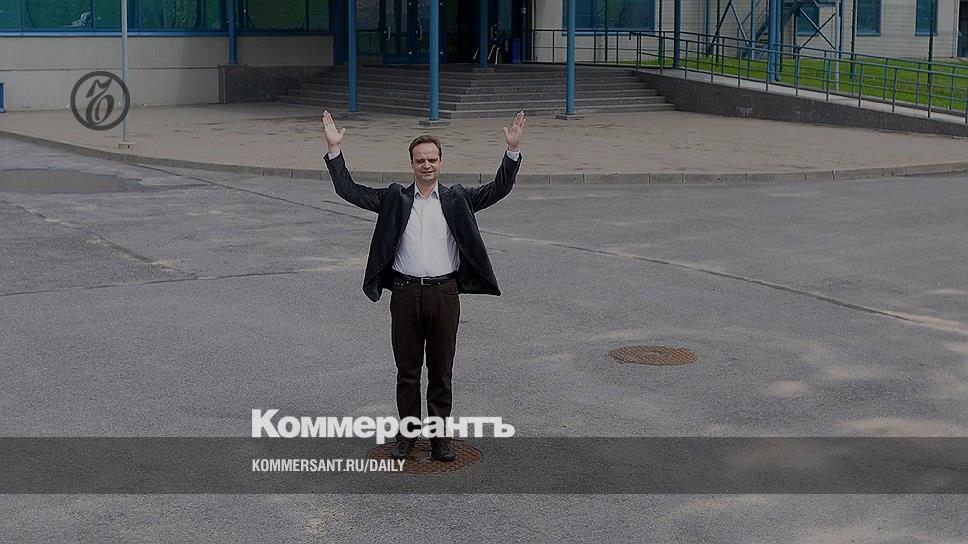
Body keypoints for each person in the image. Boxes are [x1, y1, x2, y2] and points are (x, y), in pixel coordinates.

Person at [320, 109, 526, 462]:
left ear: (441, 162)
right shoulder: (395, 198)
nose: (427, 165)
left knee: (442, 373)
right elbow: (348, 190)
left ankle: (439, 438)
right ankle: (407, 437)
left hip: (445, 294)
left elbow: (499, 188)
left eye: (432, 159)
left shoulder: (458, 198)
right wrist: (334, 149)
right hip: (404, 294)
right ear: (412, 164)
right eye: (420, 160)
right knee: (408, 373)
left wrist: (512, 150)